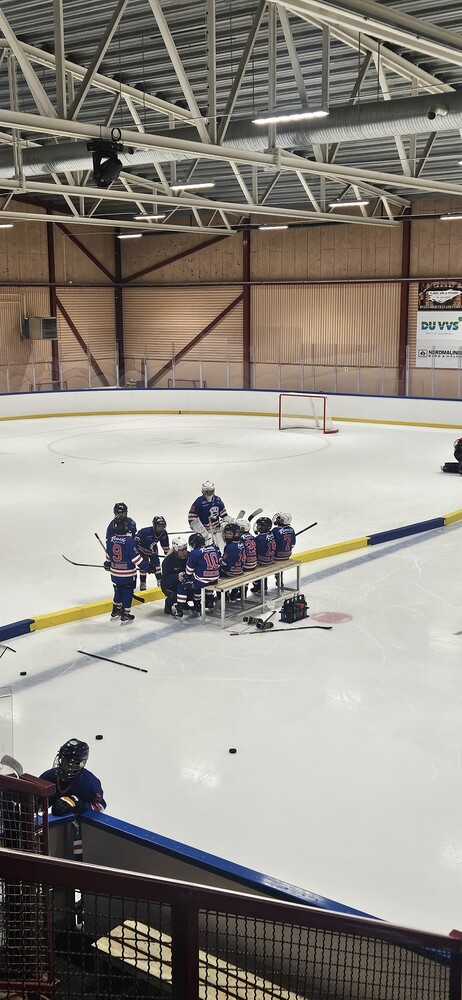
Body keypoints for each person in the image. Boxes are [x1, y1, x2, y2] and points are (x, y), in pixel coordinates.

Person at [40, 739, 106, 815]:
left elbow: (100, 806)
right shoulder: (49, 776)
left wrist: (78, 804)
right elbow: (36, 798)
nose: (64, 765)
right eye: (63, 760)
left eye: (70, 763)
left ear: (80, 764)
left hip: (80, 820)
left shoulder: (89, 784)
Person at [104, 515, 150, 623]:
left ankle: (115, 610)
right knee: (128, 593)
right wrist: (147, 567)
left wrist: (107, 564)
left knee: (118, 590)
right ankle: (125, 614)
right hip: (127, 574)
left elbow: (108, 556)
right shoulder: (129, 541)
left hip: (115, 574)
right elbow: (136, 559)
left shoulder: (110, 540)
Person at [173, 532, 221, 617]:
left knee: (184, 584)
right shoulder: (213, 548)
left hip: (203, 580)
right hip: (215, 578)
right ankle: (209, 600)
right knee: (202, 580)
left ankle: (182, 607)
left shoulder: (194, 553)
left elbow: (189, 571)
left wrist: (185, 576)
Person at [188, 481, 228, 546]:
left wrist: (227, 521)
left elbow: (223, 513)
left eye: (211, 491)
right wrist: (200, 530)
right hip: (206, 532)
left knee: (221, 548)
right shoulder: (199, 502)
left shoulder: (217, 500)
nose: (209, 493)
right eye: (207, 491)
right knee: (208, 548)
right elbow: (191, 517)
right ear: (203, 492)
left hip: (217, 530)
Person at [135, 515, 169, 591]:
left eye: (163, 526)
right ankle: (143, 582)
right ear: (154, 526)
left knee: (157, 565)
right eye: (159, 526)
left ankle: (160, 581)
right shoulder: (146, 532)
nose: (161, 528)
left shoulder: (164, 533)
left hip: (152, 549)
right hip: (141, 549)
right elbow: (137, 538)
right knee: (144, 566)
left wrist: (169, 557)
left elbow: (165, 546)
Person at [160, 536, 188, 615]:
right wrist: (176, 577)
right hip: (169, 586)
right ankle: (168, 603)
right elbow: (165, 579)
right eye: (182, 550)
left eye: (185, 549)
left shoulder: (189, 556)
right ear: (176, 550)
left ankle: (184, 603)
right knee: (176, 595)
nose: (185, 552)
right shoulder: (168, 561)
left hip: (183, 584)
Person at [220, 522, 246, 600]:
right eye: (226, 533)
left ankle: (223, 597)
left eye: (230, 534)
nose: (227, 535)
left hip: (231, 572)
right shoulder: (241, 543)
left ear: (236, 534)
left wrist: (219, 559)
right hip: (240, 570)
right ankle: (235, 591)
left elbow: (225, 564)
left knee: (214, 572)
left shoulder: (229, 546)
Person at [252, 516, 276, 594]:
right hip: (270, 559)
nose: (257, 527)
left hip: (262, 561)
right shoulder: (271, 534)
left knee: (253, 566)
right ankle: (264, 586)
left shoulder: (259, 538)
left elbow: (255, 551)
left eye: (259, 526)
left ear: (265, 527)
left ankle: (258, 586)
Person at [272, 511, 296, 588]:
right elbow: (293, 544)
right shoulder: (291, 530)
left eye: (278, 518)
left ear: (283, 520)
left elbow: (271, 543)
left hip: (277, 556)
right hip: (288, 555)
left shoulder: (275, 530)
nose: (276, 519)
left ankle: (263, 586)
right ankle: (279, 579)